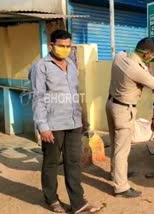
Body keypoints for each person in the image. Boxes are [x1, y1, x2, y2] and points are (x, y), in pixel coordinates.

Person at [30, 30, 100, 214]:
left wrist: (83, 118)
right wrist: (42, 126)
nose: (65, 49)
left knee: (74, 163)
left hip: (74, 123)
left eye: (68, 46)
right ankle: (51, 199)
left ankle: (78, 204)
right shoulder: (41, 66)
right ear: (51, 45)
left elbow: (75, 94)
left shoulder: (71, 64)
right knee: (51, 163)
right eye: (61, 46)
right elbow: (38, 97)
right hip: (52, 125)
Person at [106, 38, 154, 198]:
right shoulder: (136, 69)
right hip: (124, 110)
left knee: (115, 143)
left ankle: (116, 173)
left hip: (111, 103)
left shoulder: (120, 57)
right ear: (146, 53)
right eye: (152, 56)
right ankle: (121, 187)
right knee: (122, 149)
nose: (153, 59)